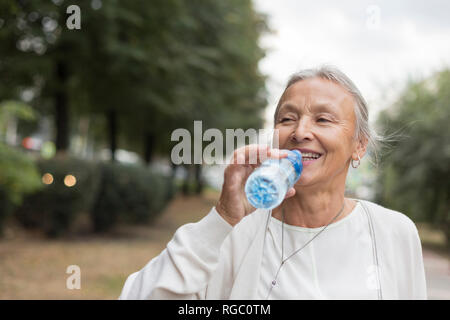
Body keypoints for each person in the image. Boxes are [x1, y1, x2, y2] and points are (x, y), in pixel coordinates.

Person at [119, 65, 427, 300]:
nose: (301, 131)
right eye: (287, 119)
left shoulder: (393, 233)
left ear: (359, 145)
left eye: (323, 119)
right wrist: (221, 220)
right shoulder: (236, 234)